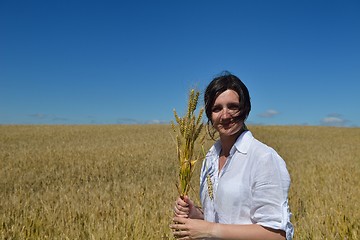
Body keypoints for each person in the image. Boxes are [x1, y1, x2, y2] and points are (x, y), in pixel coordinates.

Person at [170, 72, 294, 240]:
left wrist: (209, 230)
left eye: (233, 106)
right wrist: (196, 215)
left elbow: (277, 235)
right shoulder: (209, 158)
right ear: (209, 115)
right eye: (217, 108)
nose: (225, 115)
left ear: (245, 109)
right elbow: (222, 218)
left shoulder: (263, 158)